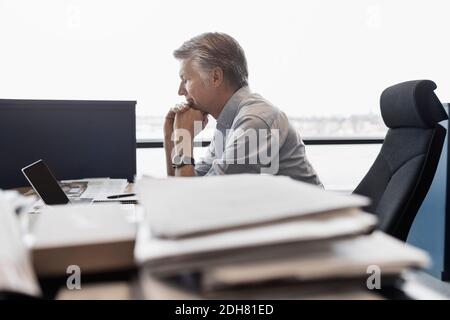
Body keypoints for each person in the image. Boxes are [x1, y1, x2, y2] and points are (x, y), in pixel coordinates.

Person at [163, 32, 322, 186]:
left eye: (185, 80)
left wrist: (184, 138)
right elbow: (183, 188)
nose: (180, 91)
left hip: (308, 214)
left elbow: (193, 202)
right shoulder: (229, 124)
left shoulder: (254, 122)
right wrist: (171, 135)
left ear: (215, 77)